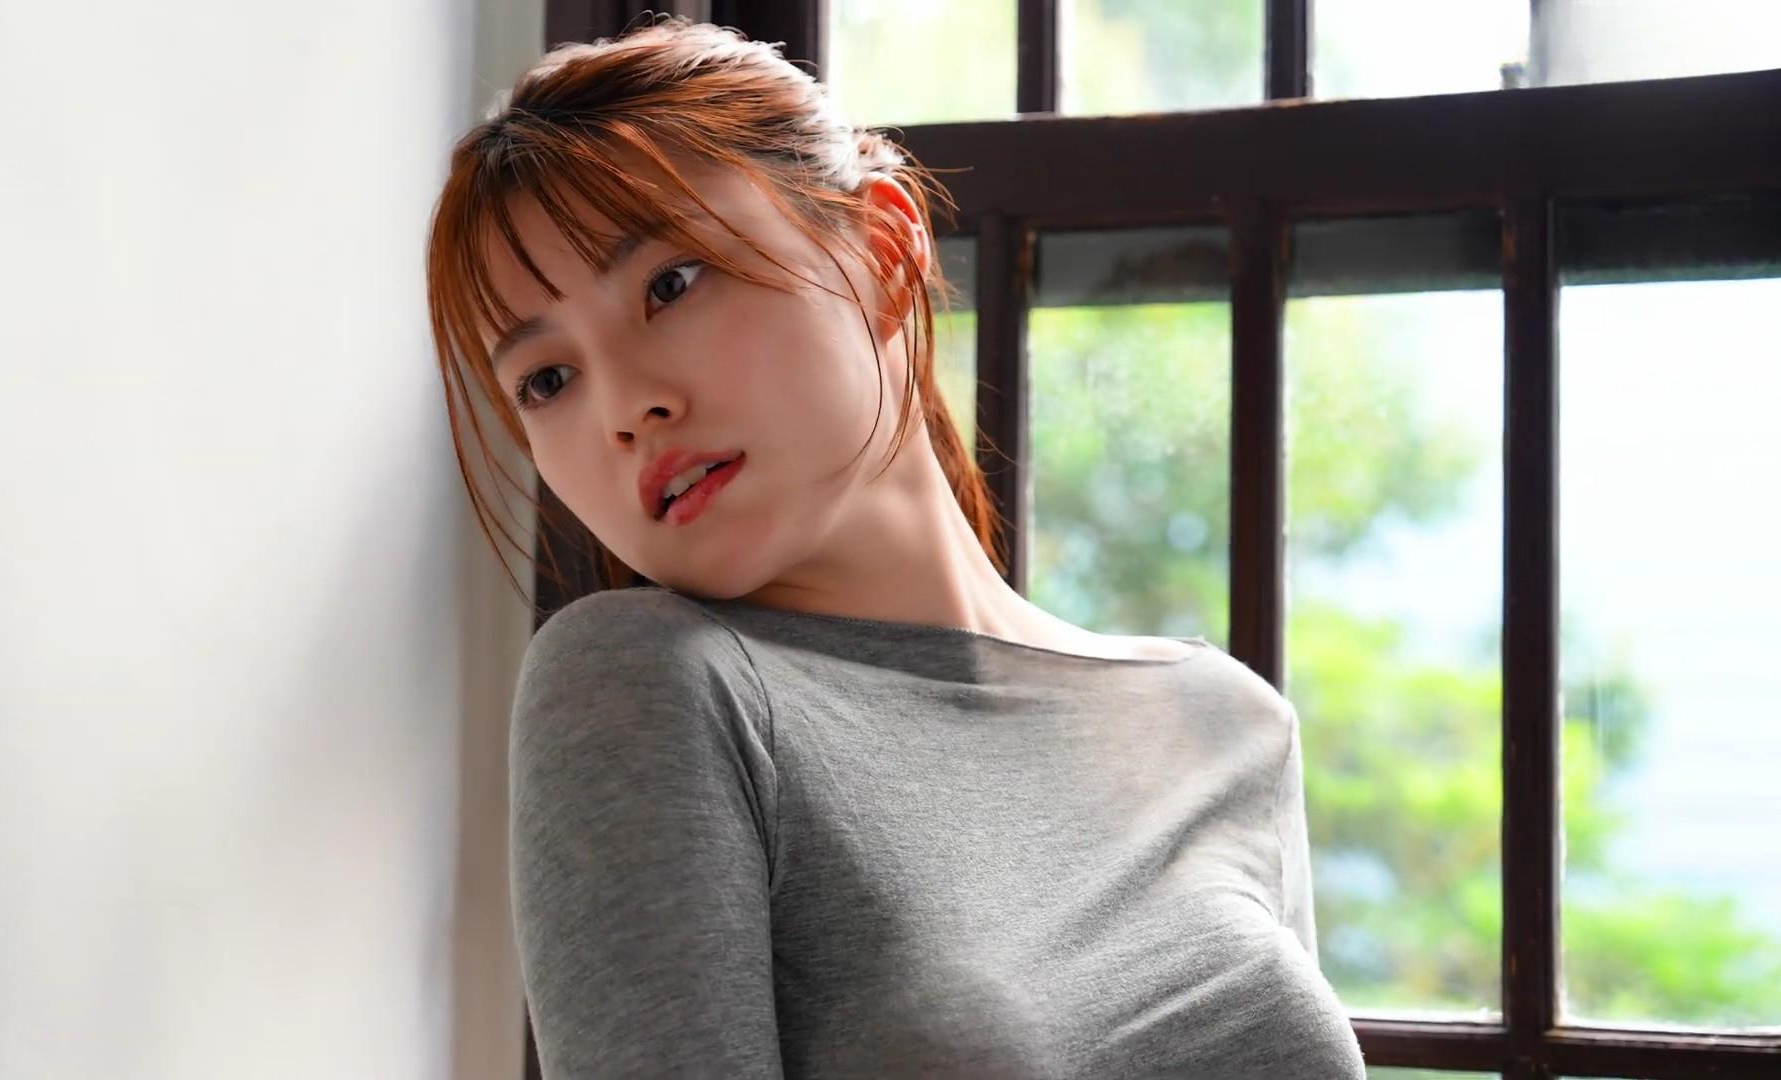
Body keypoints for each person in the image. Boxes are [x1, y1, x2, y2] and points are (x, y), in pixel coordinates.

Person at [423, 16, 1366, 1079]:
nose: (624, 409)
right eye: (547, 379)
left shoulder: (1225, 724)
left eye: (671, 284)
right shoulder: (650, 682)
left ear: (881, 252)